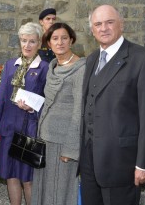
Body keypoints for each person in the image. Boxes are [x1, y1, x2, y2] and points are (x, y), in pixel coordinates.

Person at [80, 5, 145, 205]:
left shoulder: (144, 59)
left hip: (123, 163)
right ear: (92, 30)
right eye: (98, 24)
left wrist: (144, 164)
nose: (103, 28)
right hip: (90, 161)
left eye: (109, 22)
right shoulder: (91, 60)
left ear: (121, 24)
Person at [0, 22, 49, 205]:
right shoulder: (10, 65)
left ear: (39, 43)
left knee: (27, 178)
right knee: (11, 175)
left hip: (30, 128)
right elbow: (1, 98)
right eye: (24, 41)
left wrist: (31, 107)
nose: (27, 45)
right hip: (8, 127)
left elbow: (48, 100)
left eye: (32, 41)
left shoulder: (45, 68)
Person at [31, 23, 85, 205]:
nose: (60, 42)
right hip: (45, 139)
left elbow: (79, 110)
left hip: (63, 142)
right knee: (45, 189)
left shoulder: (80, 69)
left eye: (64, 38)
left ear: (71, 40)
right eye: (55, 38)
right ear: (48, 43)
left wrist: (71, 148)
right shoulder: (52, 67)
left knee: (61, 192)